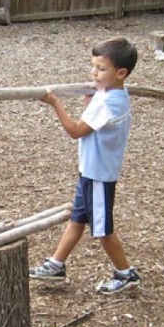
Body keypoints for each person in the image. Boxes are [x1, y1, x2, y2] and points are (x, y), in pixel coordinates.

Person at [29, 37, 140, 295]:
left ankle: (126, 275)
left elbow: (76, 131)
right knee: (77, 220)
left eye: (101, 69)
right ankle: (56, 264)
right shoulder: (110, 93)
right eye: (93, 67)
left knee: (102, 230)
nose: (94, 73)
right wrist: (90, 102)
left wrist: (55, 103)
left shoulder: (111, 101)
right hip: (89, 171)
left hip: (99, 175)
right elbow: (95, 122)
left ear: (121, 73)